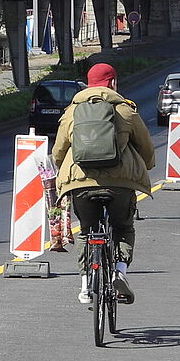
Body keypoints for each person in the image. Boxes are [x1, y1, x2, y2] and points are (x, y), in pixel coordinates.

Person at [50, 62, 156, 305]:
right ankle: (119, 271)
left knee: (87, 231)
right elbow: (146, 147)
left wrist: (63, 171)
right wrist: (147, 166)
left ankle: (86, 285)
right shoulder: (125, 110)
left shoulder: (71, 112)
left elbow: (58, 151)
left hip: (80, 183)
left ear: (88, 83)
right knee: (123, 227)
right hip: (119, 183)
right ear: (113, 83)